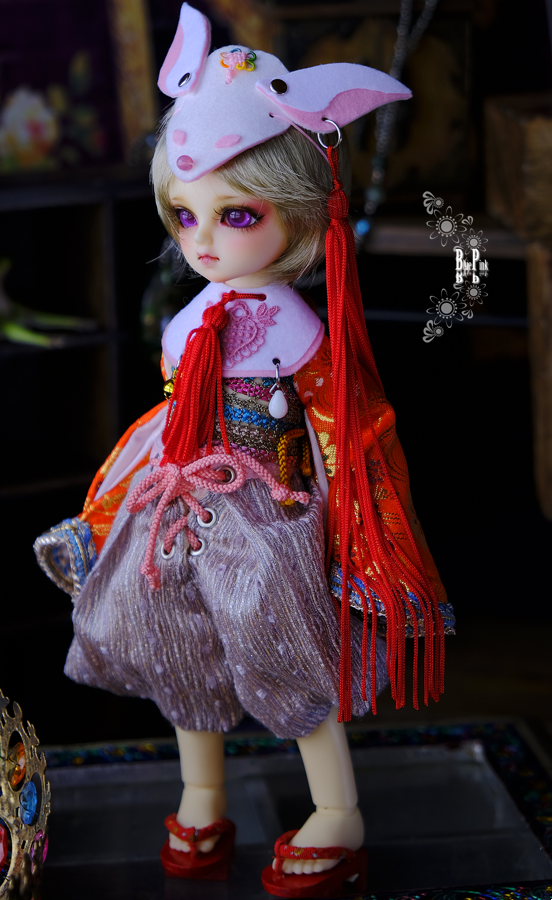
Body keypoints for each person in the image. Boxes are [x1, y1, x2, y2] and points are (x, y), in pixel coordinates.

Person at [34, 5, 454, 896]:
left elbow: (335, 425)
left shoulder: (296, 328)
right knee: (174, 639)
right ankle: (202, 796)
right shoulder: (191, 319)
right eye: (184, 216)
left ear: (296, 215)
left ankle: (338, 811)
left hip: (271, 508)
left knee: (284, 646)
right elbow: (167, 418)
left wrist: (348, 519)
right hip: (183, 499)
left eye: (234, 215)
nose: (202, 241)